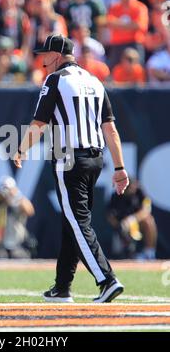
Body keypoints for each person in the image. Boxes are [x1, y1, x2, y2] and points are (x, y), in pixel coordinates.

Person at [13, 34, 129, 303]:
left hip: (70, 158)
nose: (42, 60)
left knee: (77, 222)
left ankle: (106, 279)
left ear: (56, 55)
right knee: (71, 222)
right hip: (96, 158)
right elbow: (110, 128)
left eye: (45, 55)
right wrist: (120, 167)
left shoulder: (55, 80)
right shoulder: (94, 81)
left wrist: (21, 149)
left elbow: (39, 122)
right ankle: (62, 286)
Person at [0, 176, 36, 259]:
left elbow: (30, 211)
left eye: (8, 189)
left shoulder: (19, 202)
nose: (6, 192)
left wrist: (17, 196)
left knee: (20, 257)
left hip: (18, 244)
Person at [107, 179, 157, 260]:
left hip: (138, 223)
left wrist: (132, 219)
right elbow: (110, 216)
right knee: (123, 231)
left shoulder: (140, 192)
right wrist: (120, 225)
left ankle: (149, 254)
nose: (132, 189)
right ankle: (129, 255)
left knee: (149, 221)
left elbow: (146, 210)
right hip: (122, 227)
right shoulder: (116, 195)